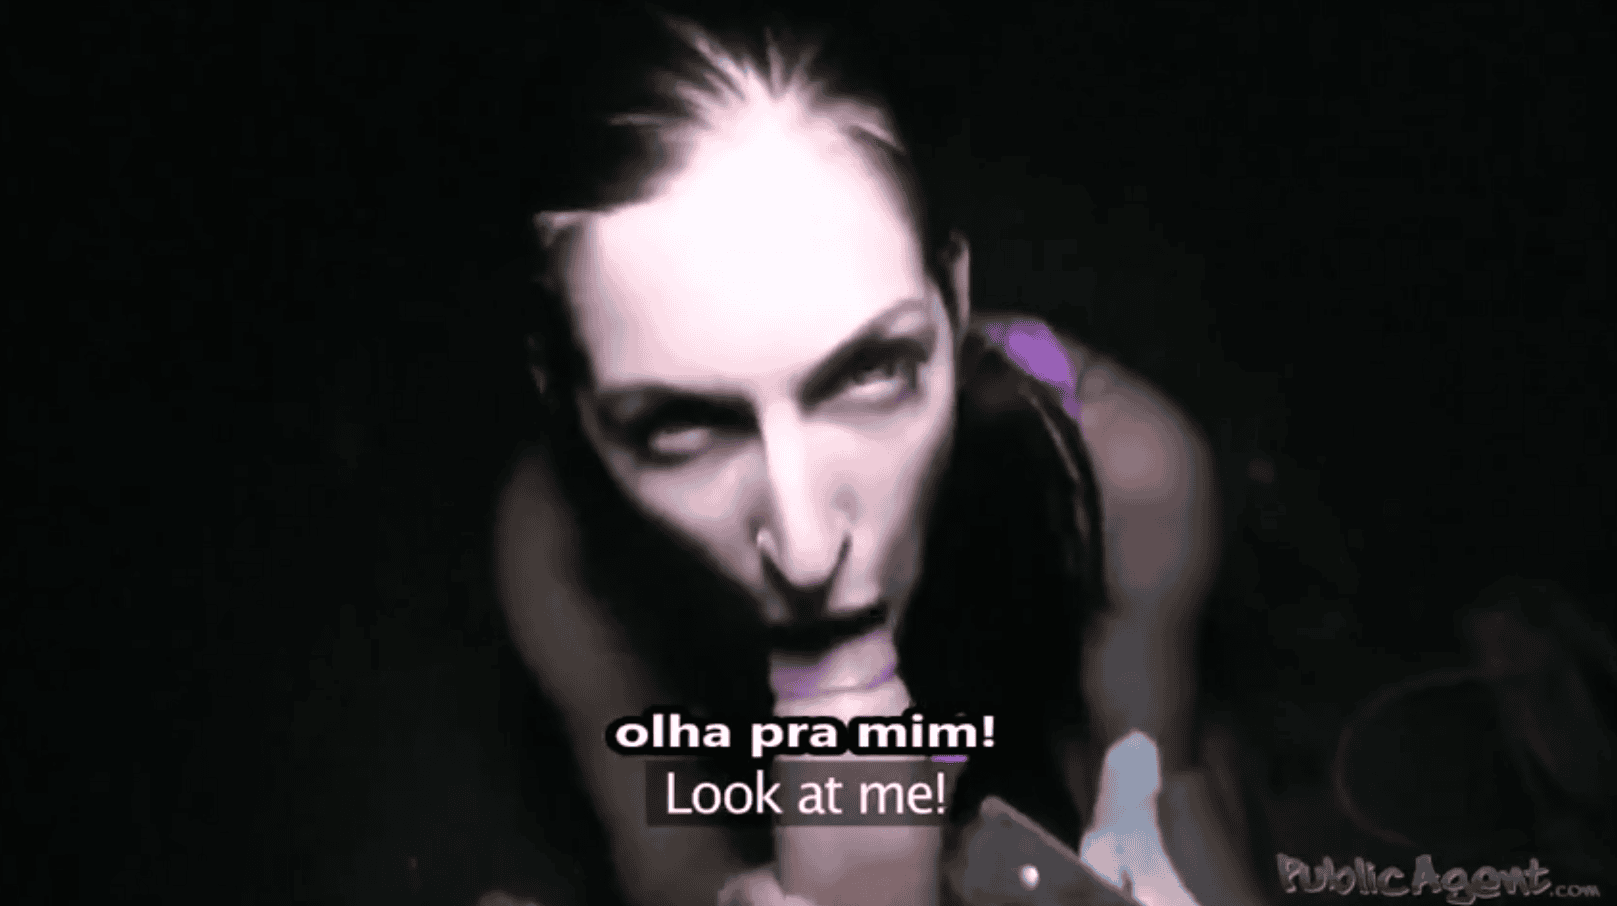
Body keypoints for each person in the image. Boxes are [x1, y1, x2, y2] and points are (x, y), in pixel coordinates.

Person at [490, 9, 1264, 906]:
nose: (807, 551)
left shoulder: (1121, 469)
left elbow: (1148, 766)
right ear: (571, 403)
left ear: (952, 301)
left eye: (869, 372)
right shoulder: (560, 548)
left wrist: (1138, 825)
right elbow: (666, 847)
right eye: (679, 425)